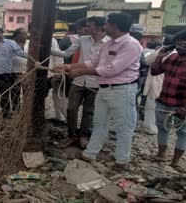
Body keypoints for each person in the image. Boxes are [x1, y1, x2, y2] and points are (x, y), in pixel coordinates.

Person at [54, 13, 142, 172]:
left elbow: (112, 69)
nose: (104, 26)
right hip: (104, 89)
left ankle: (122, 161)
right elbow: (92, 62)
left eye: (107, 23)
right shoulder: (108, 44)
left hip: (123, 89)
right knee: (99, 122)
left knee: (124, 127)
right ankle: (90, 153)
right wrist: (68, 67)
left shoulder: (131, 44)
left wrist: (81, 73)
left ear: (115, 25)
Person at [51, 16, 109, 149]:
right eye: (86, 26)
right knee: (71, 109)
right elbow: (66, 54)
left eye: (89, 26)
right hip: (78, 81)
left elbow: (104, 65)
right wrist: (47, 48)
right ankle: (71, 135)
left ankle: (83, 136)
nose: (86, 28)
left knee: (89, 111)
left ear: (99, 27)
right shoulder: (82, 40)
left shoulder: (109, 43)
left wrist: (71, 68)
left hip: (96, 83)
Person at [149, 30, 186, 171]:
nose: (179, 45)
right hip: (164, 100)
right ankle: (161, 155)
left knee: (183, 132)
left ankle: (175, 161)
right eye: (177, 42)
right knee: (162, 128)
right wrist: (159, 57)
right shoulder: (172, 58)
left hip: (184, 105)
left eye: (183, 42)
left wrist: (185, 108)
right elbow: (155, 72)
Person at [141, 38, 171, 135]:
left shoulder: (161, 51)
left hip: (156, 80)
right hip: (169, 83)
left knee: (152, 105)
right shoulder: (178, 53)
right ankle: (164, 126)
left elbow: (147, 61)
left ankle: (151, 127)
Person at [11, 28, 29, 111]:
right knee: (15, 92)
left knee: (27, 91)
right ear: (17, 35)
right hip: (13, 72)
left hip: (28, 72)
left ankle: (27, 109)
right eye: (24, 33)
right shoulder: (10, 44)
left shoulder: (30, 44)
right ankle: (16, 109)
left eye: (26, 33)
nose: (26, 35)